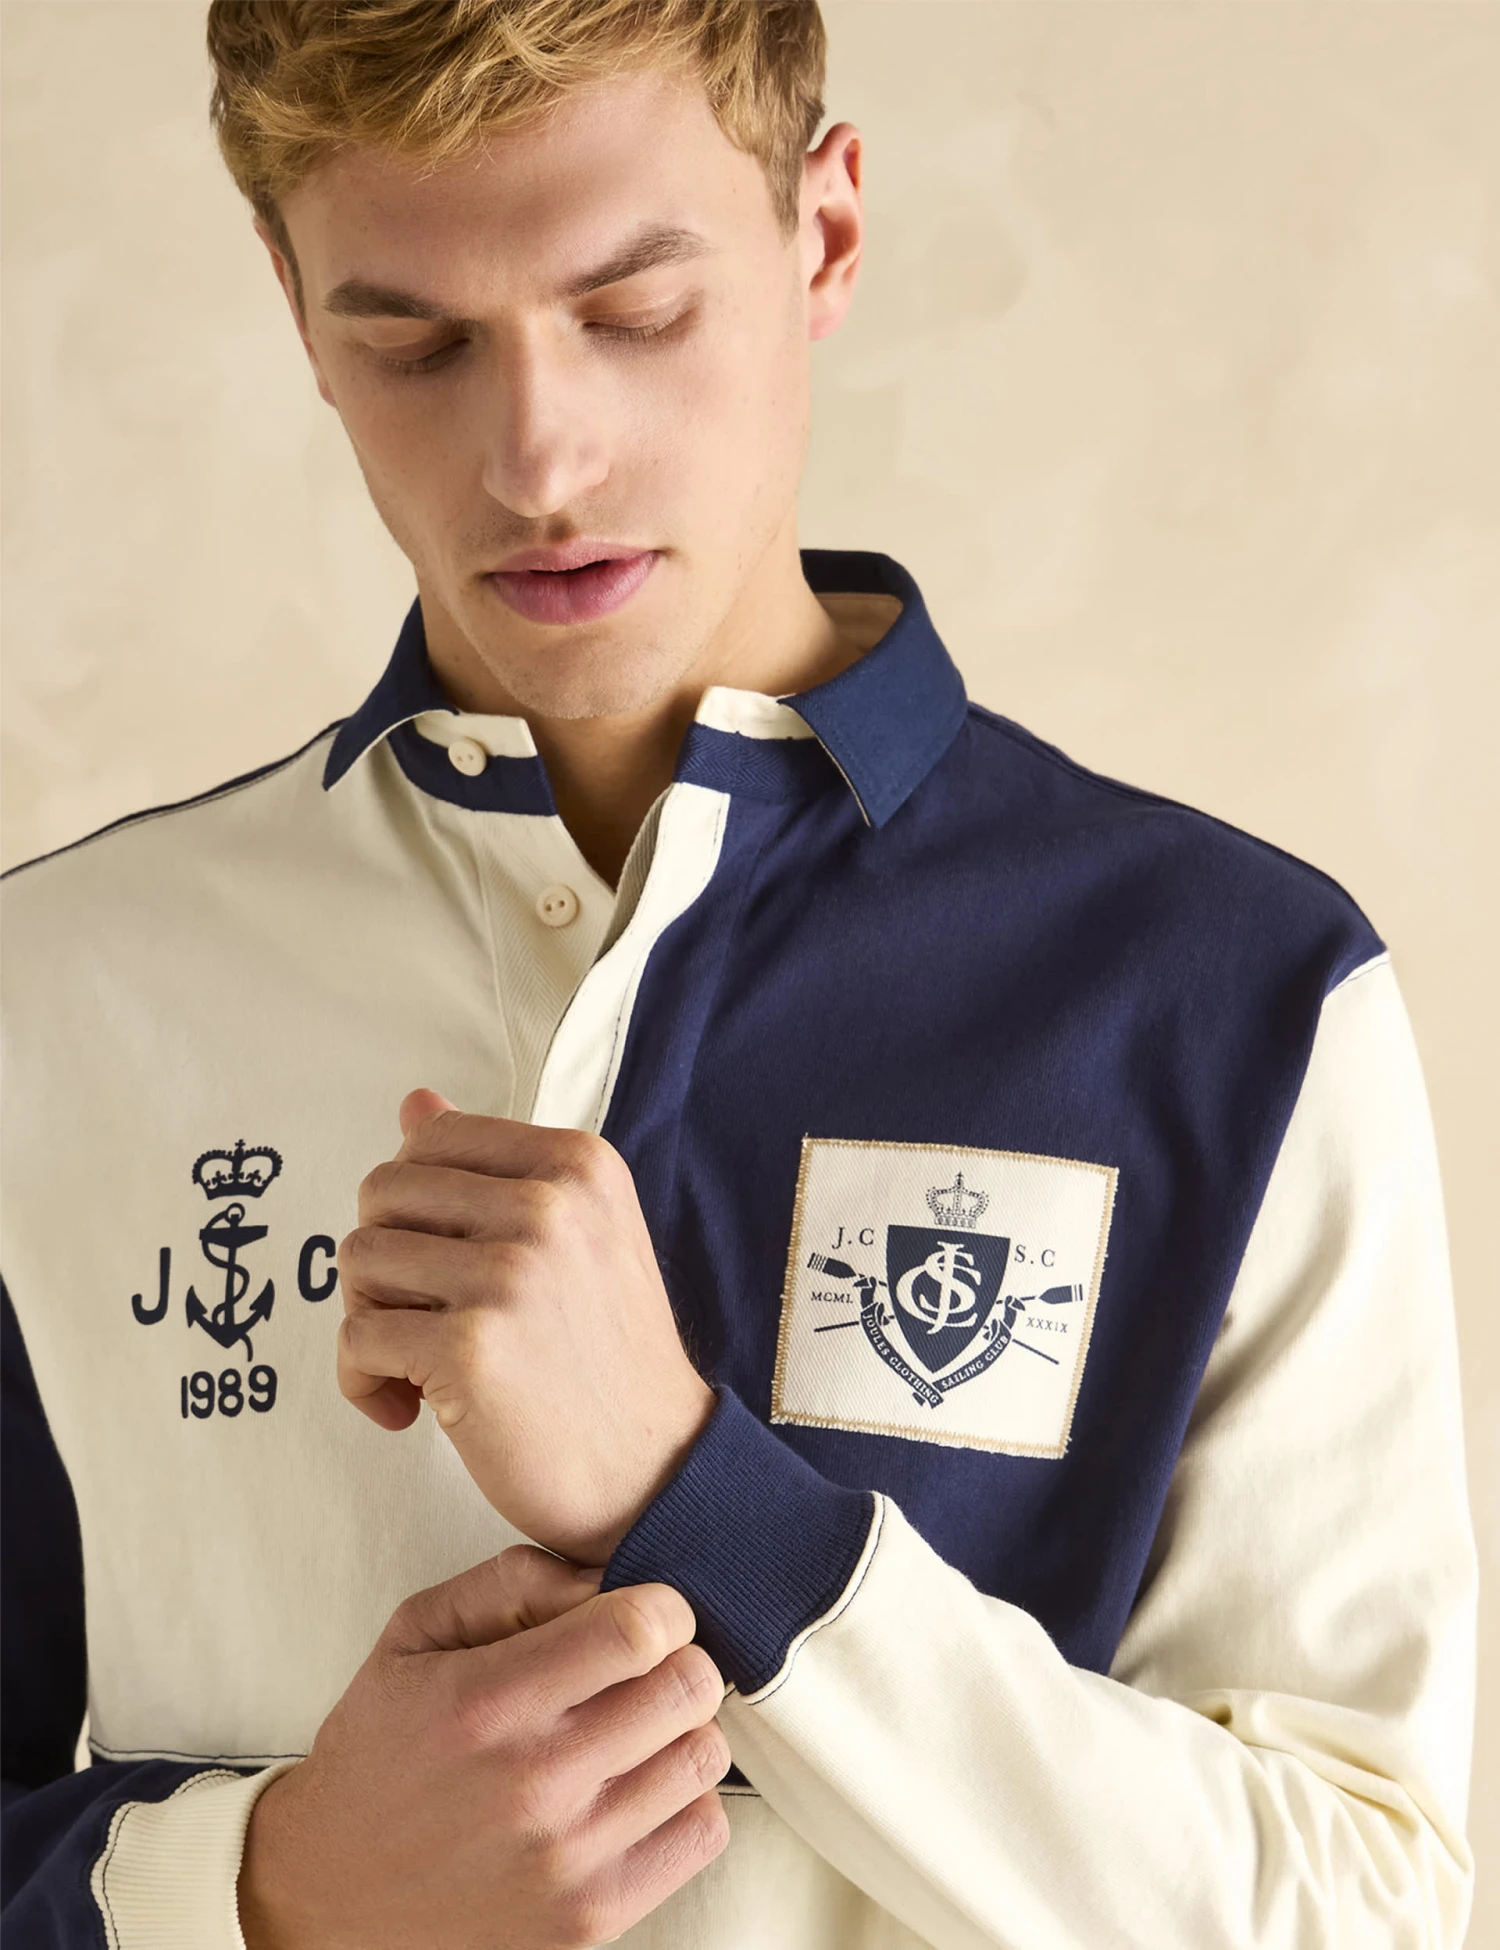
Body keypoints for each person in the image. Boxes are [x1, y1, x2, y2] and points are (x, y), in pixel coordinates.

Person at [0, 1, 1478, 1944]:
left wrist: (701, 1496)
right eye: (417, 341)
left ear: (825, 235)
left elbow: (1366, 1908)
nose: (539, 456)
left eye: (633, 311)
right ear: (294, 308)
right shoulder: (52, 1007)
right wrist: (262, 1890)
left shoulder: (1238, 1000)